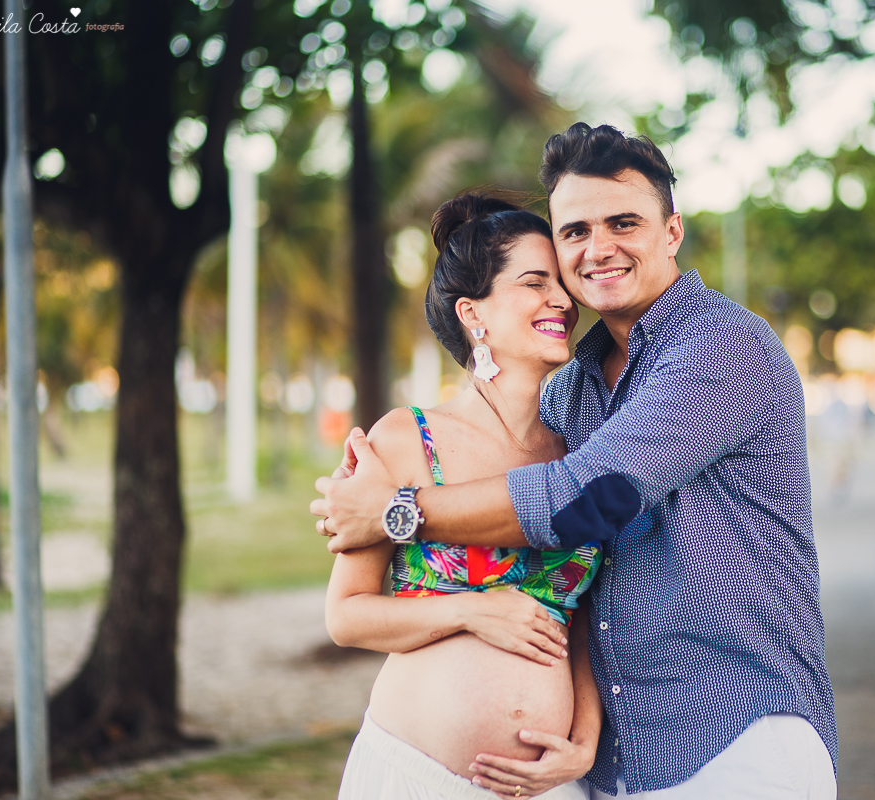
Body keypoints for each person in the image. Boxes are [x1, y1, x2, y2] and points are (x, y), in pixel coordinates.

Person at [314, 123, 838, 799]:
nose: (598, 251)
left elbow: (591, 499)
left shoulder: (721, 346)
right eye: (575, 234)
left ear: (672, 232)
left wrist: (394, 513)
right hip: (606, 769)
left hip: (735, 734)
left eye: (624, 223)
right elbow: (587, 596)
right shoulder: (572, 400)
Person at [325, 193, 604, 800]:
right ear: (473, 313)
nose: (561, 300)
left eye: (561, 284)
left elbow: (579, 618)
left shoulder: (580, 451)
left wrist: (583, 741)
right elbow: (346, 615)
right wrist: (469, 610)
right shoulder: (406, 438)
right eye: (535, 283)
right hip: (415, 774)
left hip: (549, 787)